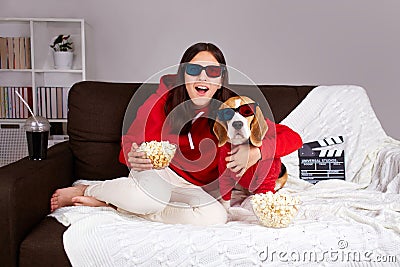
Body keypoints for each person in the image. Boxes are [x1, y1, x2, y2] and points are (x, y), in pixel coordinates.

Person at [50, 42, 302, 226]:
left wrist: (255, 151)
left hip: (196, 187)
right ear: (183, 74)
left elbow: (291, 137)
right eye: (194, 70)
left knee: (214, 218)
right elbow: (133, 140)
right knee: (151, 198)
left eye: (212, 72)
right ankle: (88, 191)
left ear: (221, 78)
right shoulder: (162, 99)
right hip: (158, 173)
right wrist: (134, 155)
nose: (203, 76)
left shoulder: (232, 107)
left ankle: (117, 206)